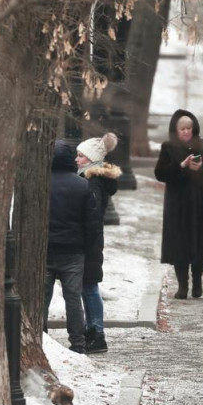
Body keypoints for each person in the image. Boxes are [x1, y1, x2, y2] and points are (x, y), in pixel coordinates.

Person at [154, 110, 203, 299]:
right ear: (175, 130)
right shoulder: (168, 147)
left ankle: (198, 282)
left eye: (189, 128)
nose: (186, 132)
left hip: (201, 201)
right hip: (177, 204)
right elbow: (160, 174)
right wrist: (182, 166)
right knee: (180, 245)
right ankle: (182, 286)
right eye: (182, 129)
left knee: (199, 243)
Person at [46, 140, 101, 354]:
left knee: (42, 298)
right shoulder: (82, 185)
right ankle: (78, 342)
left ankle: (41, 336)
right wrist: (86, 246)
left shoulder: (42, 182)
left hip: (47, 250)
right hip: (73, 251)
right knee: (73, 299)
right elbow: (93, 223)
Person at [76, 132, 121, 354]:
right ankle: (92, 331)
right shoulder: (91, 179)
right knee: (88, 287)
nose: (77, 159)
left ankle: (96, 333)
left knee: (90, 287)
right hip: (92, 241)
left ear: (92, 159)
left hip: (89, 243)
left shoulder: (92, 183)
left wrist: (84, 240)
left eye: (81, 156)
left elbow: (92, 217)